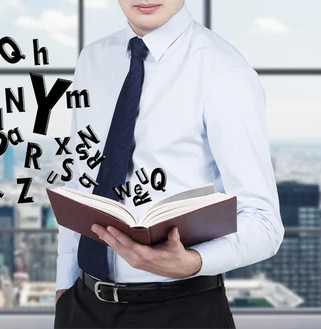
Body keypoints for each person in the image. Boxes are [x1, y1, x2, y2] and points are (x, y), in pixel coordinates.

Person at [54, 0, 285, 328]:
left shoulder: (223, 69)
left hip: (183, 309)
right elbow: (81, 179)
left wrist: (192, 262)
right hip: (84, 305)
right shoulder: (93, 59)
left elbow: (265, 224)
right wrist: (65, 284)